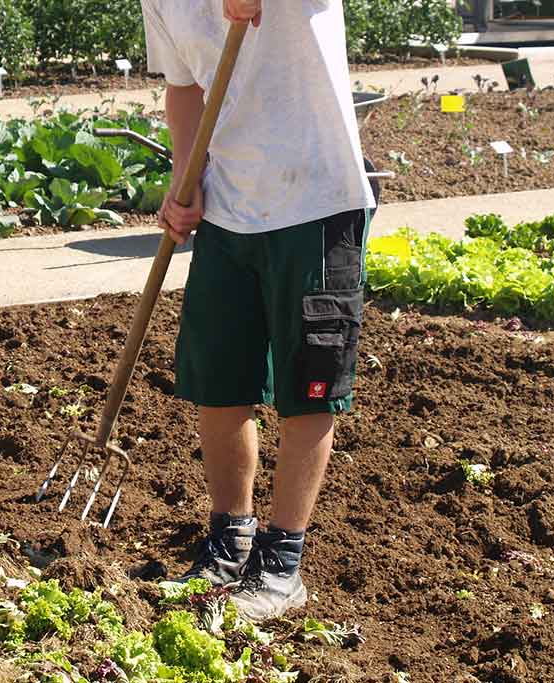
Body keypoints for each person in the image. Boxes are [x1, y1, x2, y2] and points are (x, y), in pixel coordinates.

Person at [140, 0, 377, 621]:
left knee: (310, 387)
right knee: (221, 382)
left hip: (318, 201)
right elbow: (184, 86)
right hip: (227, 209)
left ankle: (282, 563)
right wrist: (184, 175)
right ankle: (230, 539)